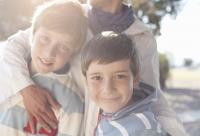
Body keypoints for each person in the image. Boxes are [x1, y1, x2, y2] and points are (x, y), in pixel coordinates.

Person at [0, 0, 187, 135]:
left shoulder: (143, 38)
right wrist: (25, 88)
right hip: (70, 125)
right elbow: (13, 46)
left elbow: (154, 98)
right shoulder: (70, 16)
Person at [0, 0, 87, 135]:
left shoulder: (70, 101)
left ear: (72, 53)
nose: (49, 53)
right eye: (45, 39)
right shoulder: (7, 69)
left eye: (63, 47)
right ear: (32, 35)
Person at [81, 31, 165, 135]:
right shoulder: (110, 116)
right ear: (86, 82)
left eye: (119, 76)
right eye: (97, 78)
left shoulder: (143, 130)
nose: (108, 89)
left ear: (135, 79)